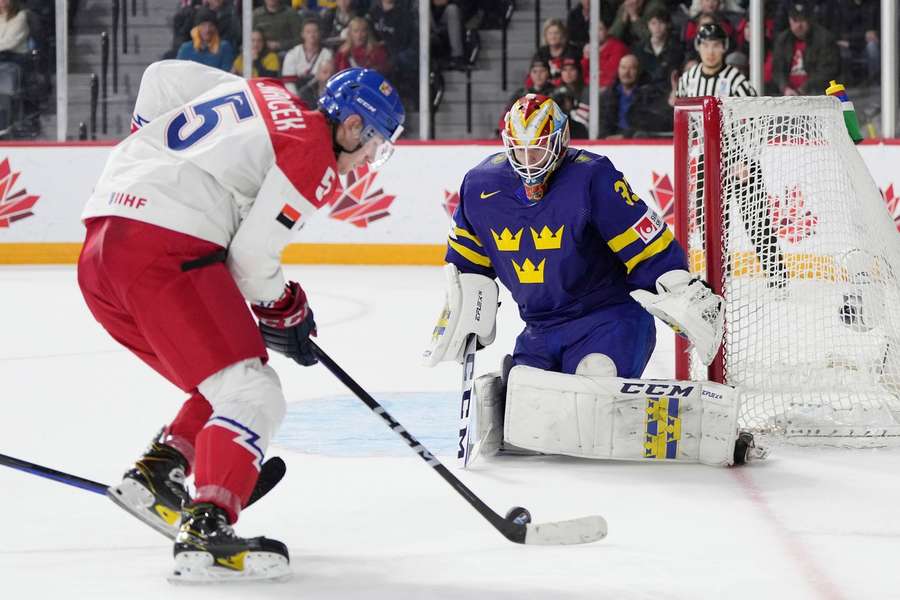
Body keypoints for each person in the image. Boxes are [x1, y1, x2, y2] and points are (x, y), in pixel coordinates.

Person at [78, 62, 404, 581]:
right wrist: (287, 306)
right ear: (351, 126)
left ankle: (159, 475)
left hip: (102, 251)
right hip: (163, 254)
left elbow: (161, 79)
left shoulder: (264, 93)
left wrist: (156, 165)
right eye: (374, 144)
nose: (368, 160)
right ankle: (207, 529)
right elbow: (251, 262)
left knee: (226, 378)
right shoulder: (314, 153)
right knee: (254, 393)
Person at [424, 94, 757, 467]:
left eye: (538, 150)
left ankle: (663, 420)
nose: (529, 162)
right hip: (542, 329)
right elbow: (468, 266)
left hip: (610, 320)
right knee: (530, 398)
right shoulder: (480, 187)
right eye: (520, 151)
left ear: (561, 141)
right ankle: (529, 401)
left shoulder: (592, 177)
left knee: (593, 379)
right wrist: (464, 312)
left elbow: (644, 243)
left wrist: (677, 287)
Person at [677, 23, 787, 291]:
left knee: (755, 219)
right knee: (709, 222)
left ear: (724, 48)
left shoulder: (738, 81)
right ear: (698, 47)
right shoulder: (688, 80)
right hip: (706, 158)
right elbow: (686, 122)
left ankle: (778, 278)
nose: (710, 51)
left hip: (740, 159)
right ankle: (718, 277)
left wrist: (746, 159)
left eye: (716, 45)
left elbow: (757, 121)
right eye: (705, 45)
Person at [771, 2, 840, 97]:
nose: (799, 25)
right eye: (795, 20)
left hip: (816, 94)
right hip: (786, 95)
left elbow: (827, 71)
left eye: (802, 20)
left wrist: (803, 89)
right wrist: (785, 88)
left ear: (809, 20)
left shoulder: (824, 39)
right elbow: (777, 70)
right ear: (789, 20)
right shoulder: (782, 40)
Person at [282, 17, 333, 93]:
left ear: (320, 33)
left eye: (315, 31)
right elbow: (288, 82)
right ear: (302, 34)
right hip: (297, 95)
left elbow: (327, 81)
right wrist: (296, 99)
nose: (312, 35)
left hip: (318, 94)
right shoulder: (292, 54)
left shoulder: (327, 54)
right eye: (308, 32)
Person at [175, 7, 235, 71]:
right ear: (196, 28)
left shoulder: (224, 48)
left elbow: (226, 73)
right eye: (203, 25)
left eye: (211, 25)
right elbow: (179, 73)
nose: (207, 30)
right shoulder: (186, 49)